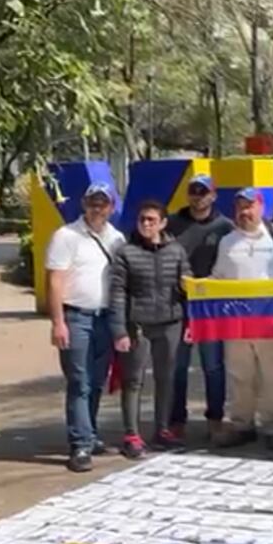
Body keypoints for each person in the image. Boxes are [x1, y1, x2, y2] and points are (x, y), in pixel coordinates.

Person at [46, 182, 126, 473]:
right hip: (76, 317)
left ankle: (89, 434)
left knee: (94, 382)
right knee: (78, 381)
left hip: (104, 319)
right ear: (84, 204)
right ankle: (79, 444)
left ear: (112, 207)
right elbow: (54, 280)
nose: (98, 208)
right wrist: (58, 322)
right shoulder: (66, 236)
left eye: (103, 203)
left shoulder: (117, 239)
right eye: (93, 202)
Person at [210, 188, 273, 450]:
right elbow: (218, 277)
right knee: (239, 374)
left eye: (249, 206)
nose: (244, 212)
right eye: (240, 207)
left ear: (261, 206)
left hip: (270, 321)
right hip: (236, 322)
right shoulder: (227, 242)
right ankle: (241, 425)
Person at [109, 200, 191, 458]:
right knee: (133, 381)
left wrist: (191, 321)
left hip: (170, 323)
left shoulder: (176, 251)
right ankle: (131, 434)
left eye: (152, 220)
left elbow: (188, 288)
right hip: (138, 326)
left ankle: (163, 430)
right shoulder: (126, 252)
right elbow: (118, 293)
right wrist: (120, 330)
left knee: (166, 379)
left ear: (163, 223)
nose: (146, 224)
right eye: (142, 219)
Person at [167, 175, 233, 443]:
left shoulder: (226, 227)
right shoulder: (171, 224)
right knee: (177, 366)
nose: (198, 196)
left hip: (211, 308)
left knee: (214, 366)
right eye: (194, 191)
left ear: (214, 195)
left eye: (203, 192)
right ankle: (176, 421)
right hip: (177, 305)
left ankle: (215, 419)